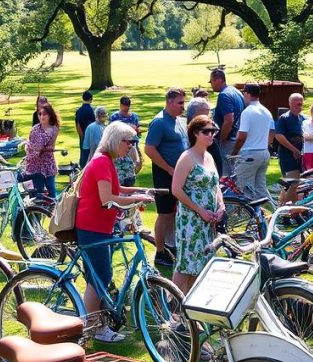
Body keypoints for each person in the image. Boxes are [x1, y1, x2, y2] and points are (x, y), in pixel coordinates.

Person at [75, 122, 155, 342]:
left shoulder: (106, 160)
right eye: (128, 141)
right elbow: (106, 198)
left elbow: (116, 190)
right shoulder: (101, 161)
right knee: (98, 277)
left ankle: (97, 322)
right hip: (92, 227)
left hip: (100, 227)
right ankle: (93, 327)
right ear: (115, 139)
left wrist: (141, 191)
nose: (131, 146)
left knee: (101, 275)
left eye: (133, 142)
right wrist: (136, 198)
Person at [172, 115, 226, 293]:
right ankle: (171, 308)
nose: (211, 135)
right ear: (195, 133)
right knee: (186, 264)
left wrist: (221, 205)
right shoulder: (187, 157)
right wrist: (199, 210)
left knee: (201, 262)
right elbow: (176, 189)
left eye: (213, 131)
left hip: (208, 220)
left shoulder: (209, 156)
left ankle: (190, 307)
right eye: (207, 132)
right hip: (190, 219)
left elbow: (215, 185)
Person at [145, 88, 187, 267]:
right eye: (180, 103)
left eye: (183, 102)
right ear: (169, 102)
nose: (183, 106)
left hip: (178, 174)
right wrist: (169, 168)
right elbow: (149, 149)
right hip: (165, 175)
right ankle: (160, 252)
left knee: (173, 213)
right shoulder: (159, 122)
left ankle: (171, 247)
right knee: (164, 214)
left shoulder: (178, 120)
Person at [232, 83, 274, 202]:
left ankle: (248, 216)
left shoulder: (247, 112)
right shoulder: (266, 111)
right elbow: (272, 131)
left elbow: (242, 136)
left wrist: (235, 151)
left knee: (243, 188)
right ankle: (273, 214)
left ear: (247, 94)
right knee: (261, 190)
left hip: (249, 154)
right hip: (264, 152)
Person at [209, 69, 245, 176]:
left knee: (227, 175)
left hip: (229, 140)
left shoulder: (224, 95)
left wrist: (222, 138)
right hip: (238, 138)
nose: (211, 85)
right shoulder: (236, 91)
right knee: (236, 173)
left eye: (211, 81)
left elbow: (229, 120)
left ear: (219, 80)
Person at [24, 103, 60, 198]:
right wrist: (31, 148)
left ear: (49, 115)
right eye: (40, 114)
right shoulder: (35, 129)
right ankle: (35, 211)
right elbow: (31, 146)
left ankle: (53, 209)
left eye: (44, 114)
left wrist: (39, 148)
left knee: (51, 189)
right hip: (35, 164)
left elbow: (47, 145)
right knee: (36, 190)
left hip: (48, 163)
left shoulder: (54, 129)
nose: (42, 116)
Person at [274, 93, 305, 203]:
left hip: (300, 158)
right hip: (287, 156)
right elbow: (278, 136)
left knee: (289, 185)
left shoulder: (303, 118)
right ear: (290, 104)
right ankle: (288, 214)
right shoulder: (285, 118)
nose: (298, 106)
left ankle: (282, 209)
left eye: (300, 104)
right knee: (293, 184)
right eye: (295, 104)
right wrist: (293, 149)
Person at [75, 90, 97, 166]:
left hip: (82, 135)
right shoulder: (92, 110)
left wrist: (82, 136)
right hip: (92, 136)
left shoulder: (79, 111)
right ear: (91, 99)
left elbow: (78, 125)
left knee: (83, 155)